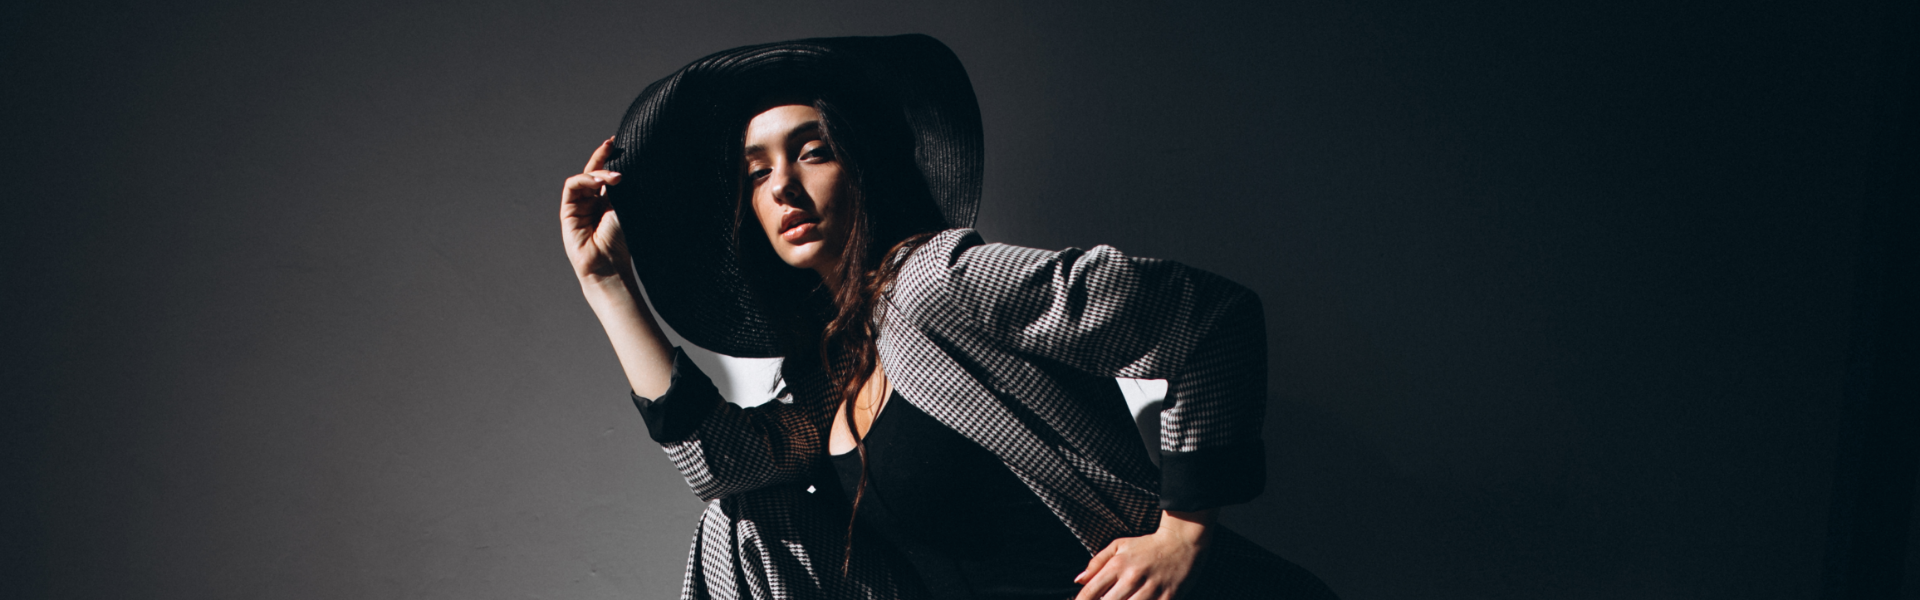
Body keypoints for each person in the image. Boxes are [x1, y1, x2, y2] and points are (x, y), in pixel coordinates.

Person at [560, 35, 1336, 600]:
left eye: (813, 151)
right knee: (741, 522)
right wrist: (606, 284)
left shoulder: (938, 281)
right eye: (757, 173)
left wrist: (1183, 532)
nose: (783, 187)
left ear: (865, 165)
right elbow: (729, 468)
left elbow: (1208, 318)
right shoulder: (832, 370)